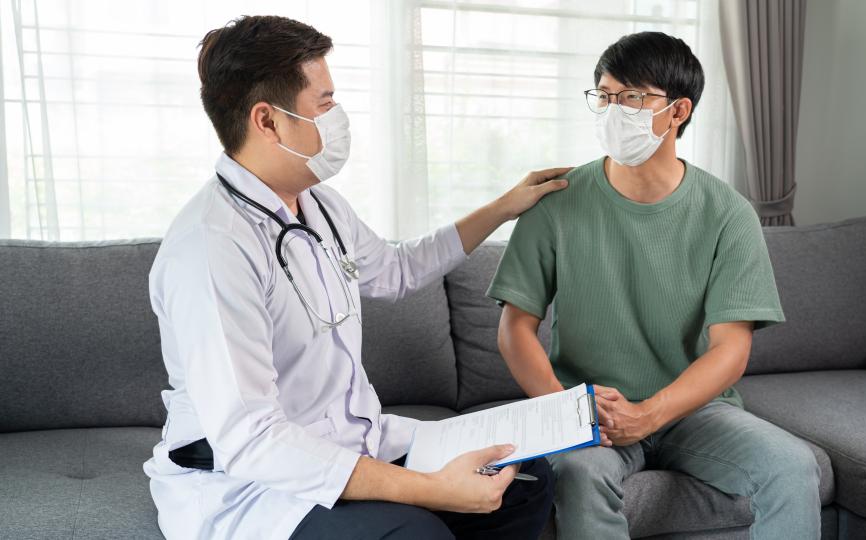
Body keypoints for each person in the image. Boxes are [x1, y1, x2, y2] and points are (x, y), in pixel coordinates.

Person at [143, 15, 568, 540]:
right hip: (256, 486)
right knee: (413, 532)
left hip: (351, 442)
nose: (337, 117)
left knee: (524, 474)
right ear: (267, 121)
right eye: (324, 104)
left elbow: (397, 270)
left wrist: (503, 208)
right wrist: (434, 489)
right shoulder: (212, 247)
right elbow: (252, 439)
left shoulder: (317, 205)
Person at [488, 32, 821, 539]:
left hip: (695, 411)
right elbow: (515, 328)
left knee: (793, 465)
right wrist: (567, 412)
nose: (612, 109)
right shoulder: (556, 203)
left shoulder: (728, 213)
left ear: (678, 111)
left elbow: (731, 348)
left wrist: (648, 415)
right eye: (604, 96)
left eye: (633, 97)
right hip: (586, 407)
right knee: (578, 474)